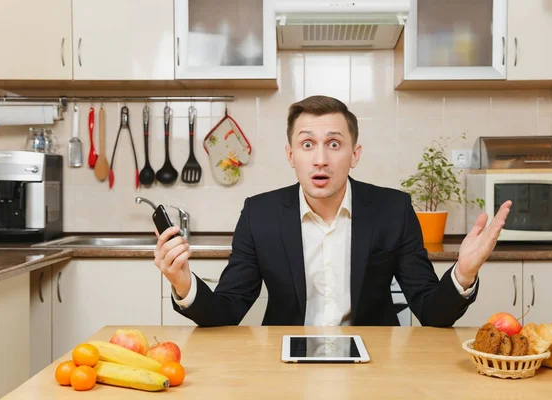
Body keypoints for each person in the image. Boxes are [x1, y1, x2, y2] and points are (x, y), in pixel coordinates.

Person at [153, 95, 511, 327]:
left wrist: (463, 273)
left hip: (374, 362)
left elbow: (430, 311)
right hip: (284, 361)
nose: (320, 159)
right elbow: (228, 309)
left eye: (334, 144)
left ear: (354, 154)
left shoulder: (393, 210)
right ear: (291, 155)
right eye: (307, 144)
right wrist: (183, 283)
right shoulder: (259, 214)